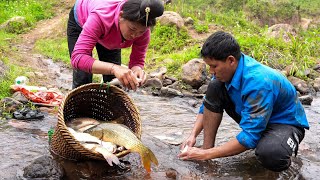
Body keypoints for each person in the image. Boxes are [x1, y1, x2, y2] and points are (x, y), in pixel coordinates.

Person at [178, 31, 309, 172]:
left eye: (214, 66)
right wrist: (193, 136)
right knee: (214, 86)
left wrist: (203, 155)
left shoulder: (258, 82)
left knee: (271, 154)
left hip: (284, 124)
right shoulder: (226, 72)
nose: (211, 71)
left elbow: (250, 137)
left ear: (231, 60)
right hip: (258, 117)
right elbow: (207, 107)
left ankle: (287, 156)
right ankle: (207, 149)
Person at [67, 0, 164, 90]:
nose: (135, 35)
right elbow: (78, 58)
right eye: (132, 29)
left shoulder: (144, 31)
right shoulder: (100, 17)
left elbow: (137, 61)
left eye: (140, 32)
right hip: (82, 17)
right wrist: (114, 68)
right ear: (120, 16)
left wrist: (137, 69)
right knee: (83, 79)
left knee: (115, 82)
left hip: (113, 34)